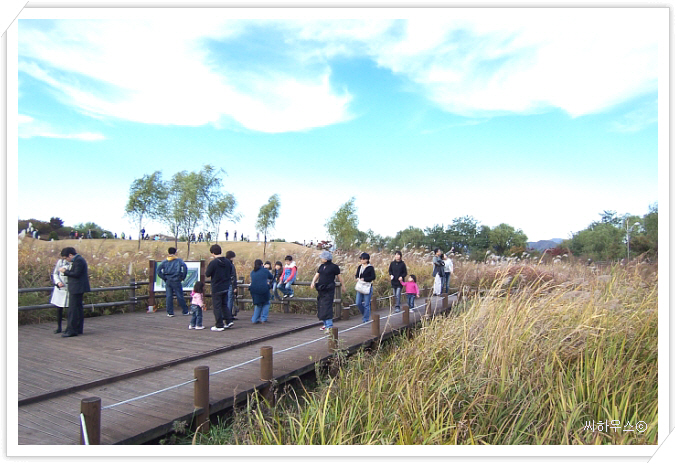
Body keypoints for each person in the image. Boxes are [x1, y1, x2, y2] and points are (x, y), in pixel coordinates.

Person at [310, 250, 345, 331]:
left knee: (327, 306)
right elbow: (317, 275)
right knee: (321, 305)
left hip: (329, 288)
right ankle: (325, 324)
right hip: (321, 288)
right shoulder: (321, 266)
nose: (321, 259)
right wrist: (313, 282)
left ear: (326, 259)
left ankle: (329, 325)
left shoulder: (334, 267)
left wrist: (343, 285)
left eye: (322, 258)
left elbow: (339, 277)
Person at [59, 247, 90, 337]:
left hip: (76, 288)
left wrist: (65, 272)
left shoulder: (78, 261)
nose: (66, 260)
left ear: (70, 255)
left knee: (73, 310)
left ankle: (72, 330)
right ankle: (78, 328)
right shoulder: (79, 260)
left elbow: (76, 274)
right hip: (78, 288)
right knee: (78, 309)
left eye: (66, 258)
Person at [206, 244, 234, 331]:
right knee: (224, 304)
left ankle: (219, 325)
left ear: (213, 253)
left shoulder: (213, 263)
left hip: (216, 287)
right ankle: (229, 320)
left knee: (217, 306)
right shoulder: (228, 262)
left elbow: (207, 274)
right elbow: (231, 272)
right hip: (226, 286)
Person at [156, 247, 190, 317]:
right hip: (176, 280)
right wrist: (182, 277)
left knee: (169, 296)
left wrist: (164, 278)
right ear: (175, 253)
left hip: (168, 280)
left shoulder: (165, 261)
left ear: (168, 253)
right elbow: (185, 268)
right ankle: (185, 311)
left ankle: (170, 312)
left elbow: (158, 271)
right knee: (180, 296)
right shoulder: (179, 261)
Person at [50, 249, 71, 334]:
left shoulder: (73, 263)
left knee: (69, 310)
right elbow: (55, 273)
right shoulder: (60, 262)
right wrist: (58, 282)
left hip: (69, 288)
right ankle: (59, 327)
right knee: (59, 309)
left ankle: (68, 327)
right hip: (60, 289)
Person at [250, 259, 274, 324]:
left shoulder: (252, 272)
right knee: (266, 303)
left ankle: (254, 319)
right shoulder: (265, 271)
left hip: (254, 290)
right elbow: (271, 277)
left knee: (258, 305)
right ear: (262, 264)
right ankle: (264, 319)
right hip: (263, 289)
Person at [355, 252, 376, 323]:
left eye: (363, 259)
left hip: (367, 286)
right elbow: (356, 275)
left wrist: (365, 279)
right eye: (361, 259)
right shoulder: (360, 267)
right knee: (358, 302)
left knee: (367, 303)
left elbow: (373, 277)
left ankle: (365, 318)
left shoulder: (370, 267)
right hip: (360, 286)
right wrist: (357, 278)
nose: (361, 260)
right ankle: (365, 314)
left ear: (367, 260)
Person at [225, 250, 238, 318]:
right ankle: (229, 315)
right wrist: (235, 286)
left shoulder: (223, 264)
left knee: (225, 299)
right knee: (230, 300)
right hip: (230, 284)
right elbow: (233, 276)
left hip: (223, 284)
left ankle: (224, 314)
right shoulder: (231, 265)